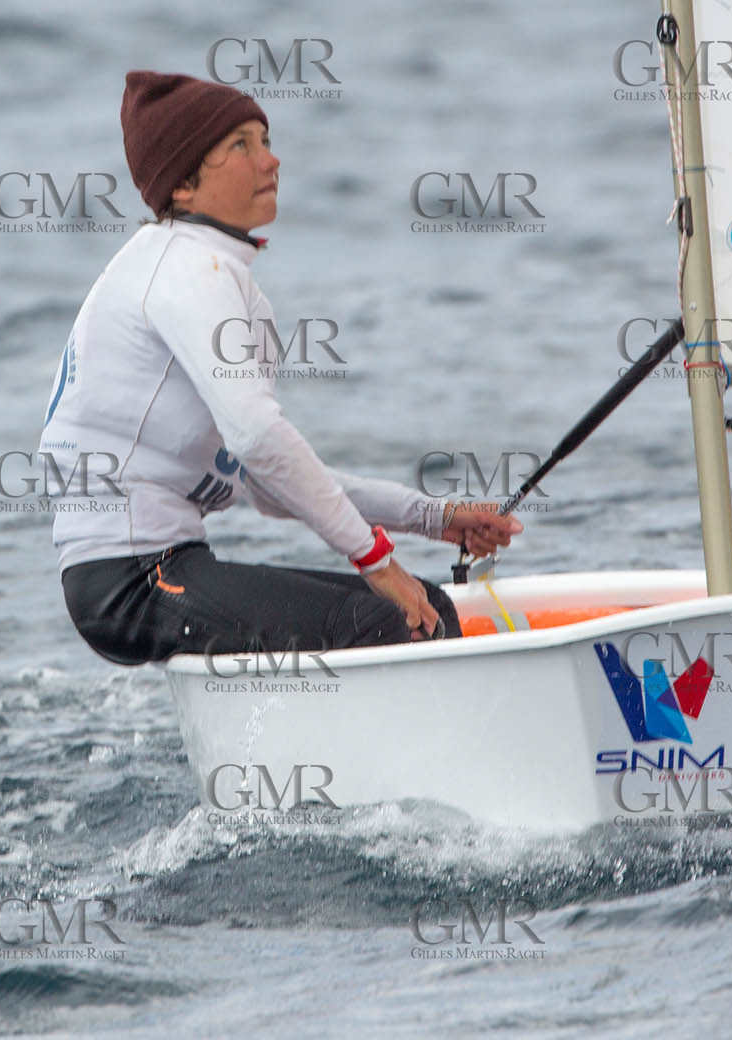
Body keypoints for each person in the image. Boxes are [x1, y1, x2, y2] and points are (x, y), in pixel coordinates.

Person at [43, 70, 521, 665]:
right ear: (184, 185)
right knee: (382, 618)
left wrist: (433, 516)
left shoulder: (207, 272)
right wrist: (375, 561)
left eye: (265, 140)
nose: (271, 161)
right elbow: (260, 434)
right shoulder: (189, 272)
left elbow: (265, 480)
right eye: (241, 145)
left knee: (425, 609)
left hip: (160, 567)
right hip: (129, 581)